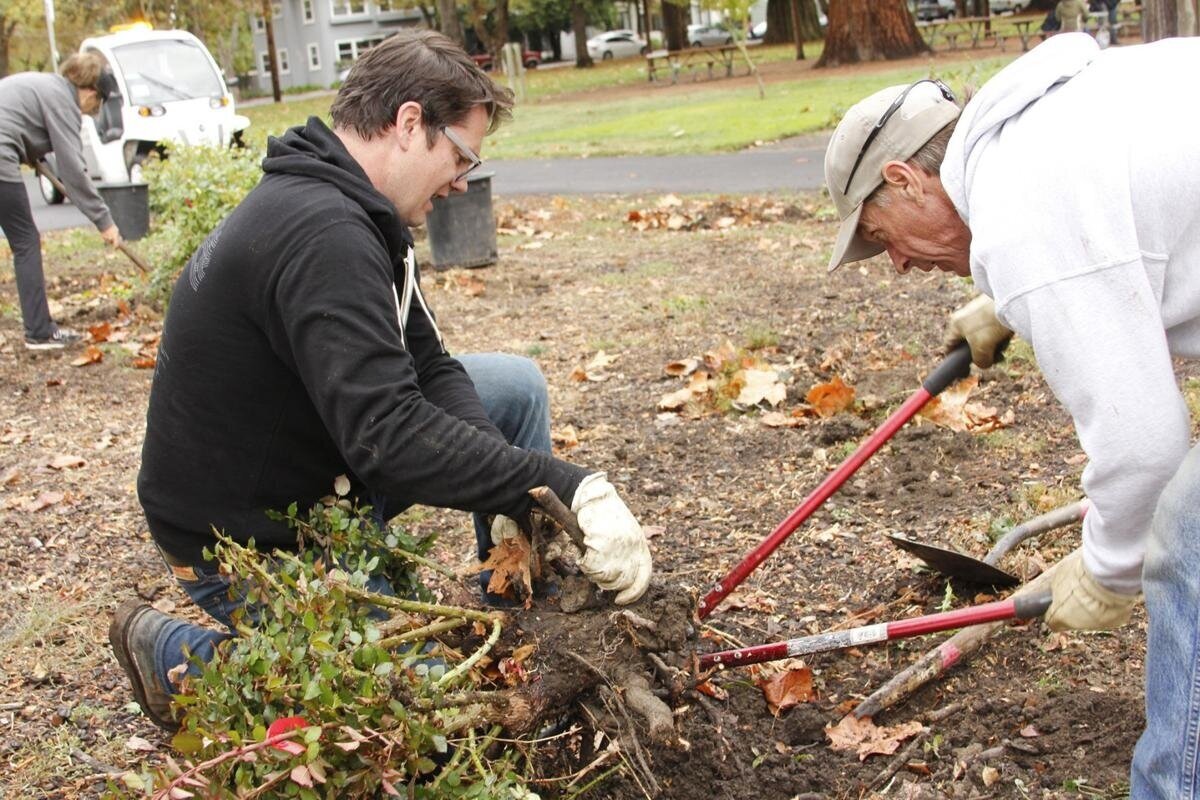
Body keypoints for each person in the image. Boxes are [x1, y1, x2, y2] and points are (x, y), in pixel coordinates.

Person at [108, 29, 652, 732]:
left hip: (320, 457)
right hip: (250, 534)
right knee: (423, 714)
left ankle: (513, 595)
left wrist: (519, 482)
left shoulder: (359, 211)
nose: (462, 180)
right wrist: (570, 484)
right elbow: (389, 439)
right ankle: (180, 654)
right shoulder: (321, 234)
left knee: (512, 389)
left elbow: (428, 367)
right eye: (460, 155)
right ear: (407, 124)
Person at [823, 33, 1200, 798]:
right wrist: (1011, 298)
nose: (894, 263)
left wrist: (1107, 571)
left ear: (904, 178)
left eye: (879, 235)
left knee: (1185, 542)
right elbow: (1133, 227)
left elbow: (1145, 448)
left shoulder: (1028, 217)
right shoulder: (1034, 135)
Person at [0, 52, 123, 349]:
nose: (93, 111)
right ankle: (39, 331)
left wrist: (31, 152)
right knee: (26, 241)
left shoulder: (47, 86)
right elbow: (74, 171)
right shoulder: (63, 100)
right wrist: (104, 221)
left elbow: (21, 122)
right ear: (90, 90)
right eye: (97, 103)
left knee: (23, 239)